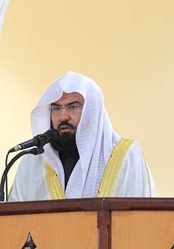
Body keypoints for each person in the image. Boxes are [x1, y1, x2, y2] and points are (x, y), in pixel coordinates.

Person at [8, 71, 155, 201]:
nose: (63, 116)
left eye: (73, 107)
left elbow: (138, 221)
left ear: (92, 111)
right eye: (56, 108)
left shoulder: (126, 156)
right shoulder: (32, 161)